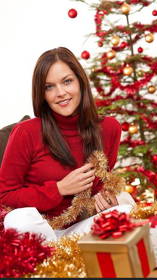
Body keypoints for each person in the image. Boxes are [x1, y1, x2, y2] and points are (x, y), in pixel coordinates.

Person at [0, 47, 122, 228]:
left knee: (124, 209)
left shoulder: (109, 129)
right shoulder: (26, 132)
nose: (60, 93)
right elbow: (5, 195)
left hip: (80, 228)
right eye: (49, 87)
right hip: (39, 232)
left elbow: (98, 187)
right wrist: (59, 189)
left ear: (80, 82)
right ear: (42, 94)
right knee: (18, 220)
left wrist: (105, 199)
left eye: (67, 82)